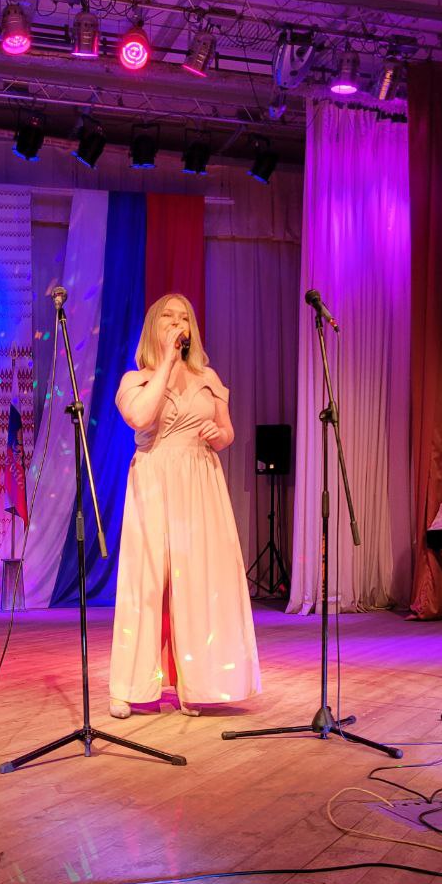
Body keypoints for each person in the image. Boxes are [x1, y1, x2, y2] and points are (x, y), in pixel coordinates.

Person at [109, 293, 261, 718]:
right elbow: (141, 418)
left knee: (198, 581)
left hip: (200, 479)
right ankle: (129, 686)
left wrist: (218, 434)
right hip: (155, 477)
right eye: (169, 318)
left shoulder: (208, 378)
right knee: (146, 583)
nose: (178, 324)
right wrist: (167, 363)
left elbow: (227, 433)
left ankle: (196, 684)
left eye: (185, 318)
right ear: (154, 327)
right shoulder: (135, 380)